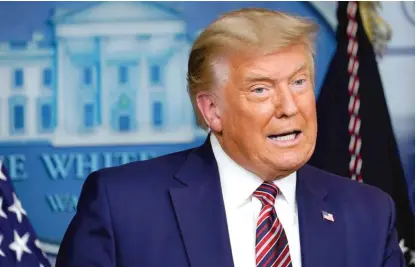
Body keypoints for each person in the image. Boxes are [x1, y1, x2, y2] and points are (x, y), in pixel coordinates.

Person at [56, 8, 406, 267]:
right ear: (212, 111)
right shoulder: (122, 207)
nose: (289, 107)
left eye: (299, 83)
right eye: (260, 89)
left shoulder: (369, 214)